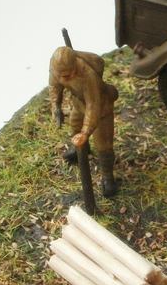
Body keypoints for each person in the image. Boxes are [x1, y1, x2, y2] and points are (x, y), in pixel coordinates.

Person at [49, 46, 119, 196]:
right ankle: (82, 150)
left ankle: (108, 176)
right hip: (79, 103)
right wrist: (56, 106)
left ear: (74, 67)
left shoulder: (88, 75)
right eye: (60, 75)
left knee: (103, 144)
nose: (63, 80)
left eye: (67, 75)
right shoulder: (55, 68)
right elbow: (54, 86)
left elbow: (93, 106)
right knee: (75, 125)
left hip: (101, 108)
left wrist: (86, 133)